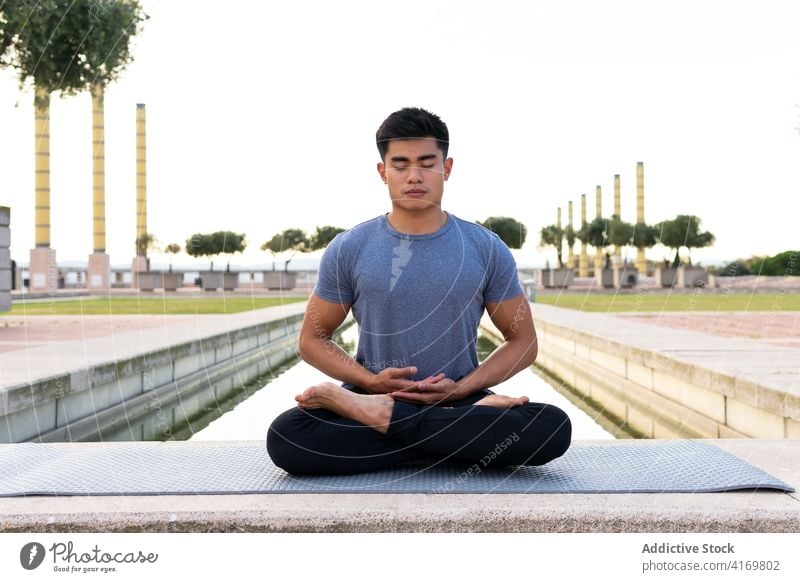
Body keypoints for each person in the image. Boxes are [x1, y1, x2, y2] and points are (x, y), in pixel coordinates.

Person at [266, 107, 571, 475]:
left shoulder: (485, 247)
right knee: (287, 437)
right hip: (369, 398)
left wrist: (461, 391)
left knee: (552, 426)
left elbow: (523, 341)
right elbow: (312, 339)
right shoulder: (349, 247)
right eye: (401, 164)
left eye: (427, 163)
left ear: (447, 167)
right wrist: (368, 382)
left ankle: (406, 429)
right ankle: (452, 440)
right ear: (383, 172)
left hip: (460, 397)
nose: (414, 175)